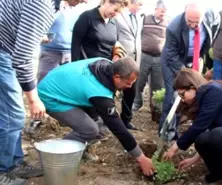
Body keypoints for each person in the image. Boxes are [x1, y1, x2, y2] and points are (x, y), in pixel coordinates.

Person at [0, 0, 85, 184]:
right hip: (3, 52)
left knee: (11, 115)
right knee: (11, 116)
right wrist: (33, 99)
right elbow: (22, 58)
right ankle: (2, 171)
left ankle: (14, 163)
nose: (83, 2)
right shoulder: (42, 5)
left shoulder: (49, 5)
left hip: (7, 50)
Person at [37, 57, 155, 176]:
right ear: (117, 77)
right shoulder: (98, 91)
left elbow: (118, 106)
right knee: (90, 129)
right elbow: (118, 129)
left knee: (104, 121)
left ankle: (82, 145)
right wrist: (141, 158)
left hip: (63, 87)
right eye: (128, 83)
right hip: (50, 97)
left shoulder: (107, 64)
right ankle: (59, 156)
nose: (129, 86)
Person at [159, 2, 220, 140]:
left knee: (186, 96)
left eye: (196, 22)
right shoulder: (173, 27)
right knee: (173, 94)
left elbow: (209, 43)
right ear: (185, 14)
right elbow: (172, 55)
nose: (193, 25)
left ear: (203, 17)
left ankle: (175, 131)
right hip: (172, 62)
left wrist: (208, 66)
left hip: (191, 59)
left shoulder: (212, 18)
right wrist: (187, 75)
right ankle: (164, 132)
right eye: (189, 22)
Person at [26, 0, 88, 133]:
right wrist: (43, 37)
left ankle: (62, 116)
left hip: (68, 52)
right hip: (50, 52)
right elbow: (38, 27)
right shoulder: (51, 7)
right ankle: (36, 119)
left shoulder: (76, 11)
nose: (82, 3)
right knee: (43, 84)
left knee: (65, 86)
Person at [132, 0, 168, 116]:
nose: (163, 14)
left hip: (159, 58)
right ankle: (137, 103)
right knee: (139, 81)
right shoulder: (145, 19)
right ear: (156, 9)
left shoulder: (167, 22)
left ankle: (156, 109)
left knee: (158, 85)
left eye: (165, 12)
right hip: (145, 55)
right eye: (161, 11)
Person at [115, 0, 144, 130]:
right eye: (140, 4)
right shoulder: (118, 15)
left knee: (131, 91)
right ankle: (105, 119)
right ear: (132, 2)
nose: (141, 7)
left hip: (135, 61)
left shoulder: (139, 17)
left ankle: (126, 119)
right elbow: (113, 37)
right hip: (120, 61)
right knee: (112, 91)